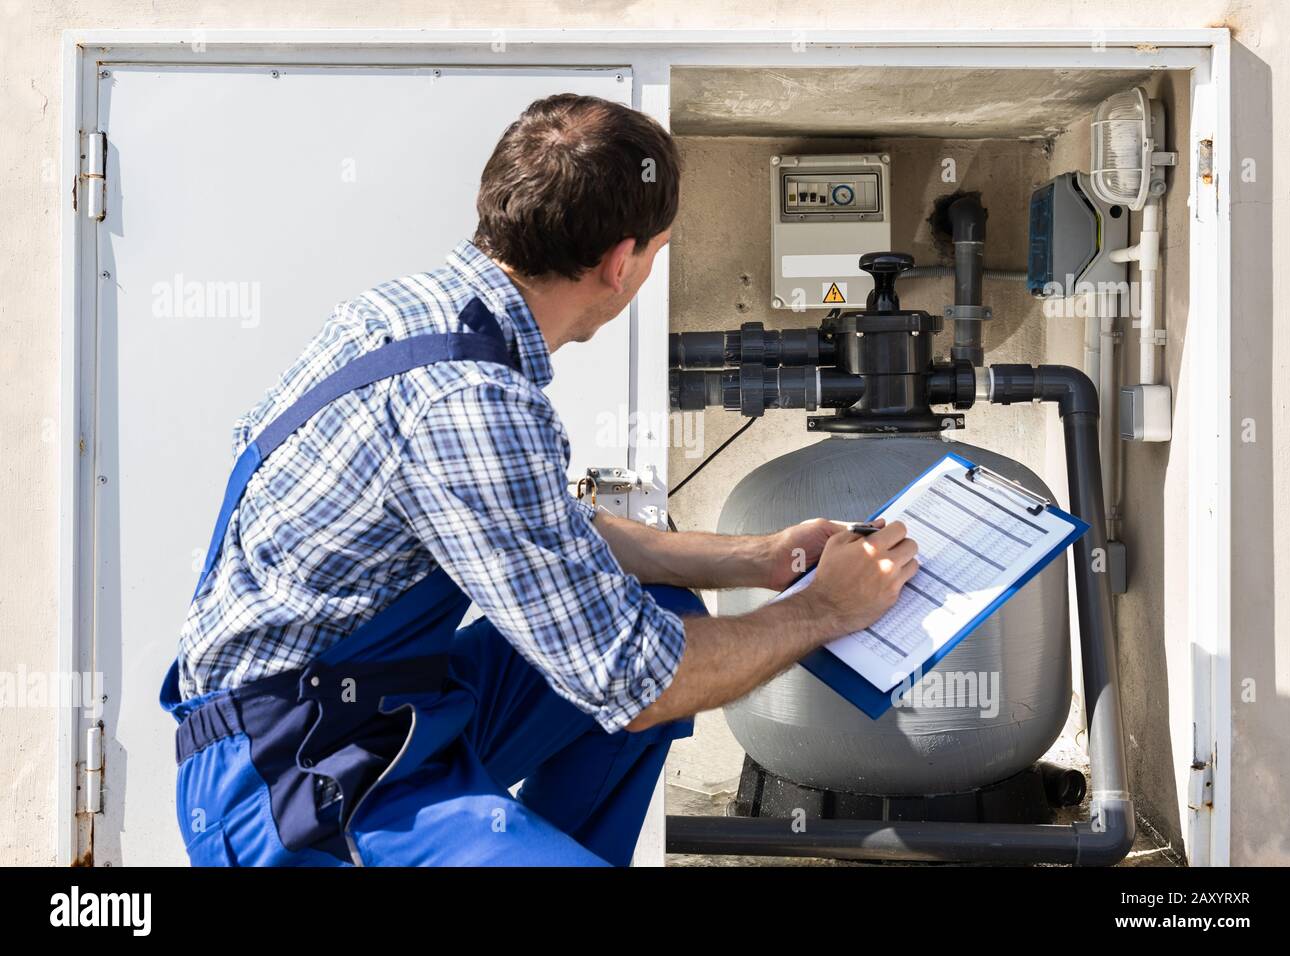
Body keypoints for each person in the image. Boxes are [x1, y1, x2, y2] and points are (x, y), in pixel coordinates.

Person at [160, 93, 918, 867]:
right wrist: (825, 610)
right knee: (647, 662)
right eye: (657, 253)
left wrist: (756, 558)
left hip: (386, 704)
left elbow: (535, 529)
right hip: (294, 772)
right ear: (622, 263)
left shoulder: (408, 310)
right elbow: (636, 681)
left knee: (662, 606)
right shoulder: (472, 400)